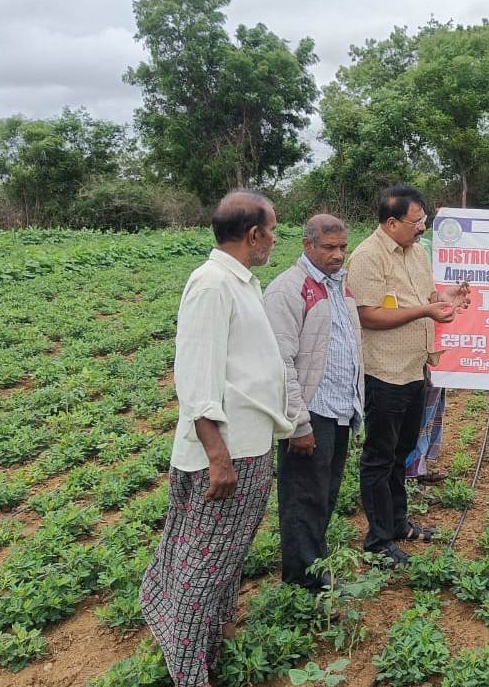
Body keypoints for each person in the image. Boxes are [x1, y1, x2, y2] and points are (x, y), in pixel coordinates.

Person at [140, 190, 294, 687]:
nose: (275, 239)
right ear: (253, 235)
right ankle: (187, 671)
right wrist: (217, 458)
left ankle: (207, 644)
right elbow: (196, 377)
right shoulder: (211, 285)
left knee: (220, 558)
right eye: (272, 230)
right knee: (202, 567)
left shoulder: (239, 282)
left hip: (247, 444)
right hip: (227, 456)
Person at [346, 185, 470, 567]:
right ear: (391, 222)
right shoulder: (367, 257)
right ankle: (378, 539)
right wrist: (425, 312)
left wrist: (446, 297)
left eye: (424, 221)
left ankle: (399, 524)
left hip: (416, 367)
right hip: (384, 372)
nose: (422, 228)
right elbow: (367, 315)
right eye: (417, 222)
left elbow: (425, 294)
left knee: (402, 453)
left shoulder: (417, 252)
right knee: (379, 457)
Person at [262, 214, 362, 591]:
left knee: (324, 494)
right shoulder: (289, 290)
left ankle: (313, 565)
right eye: (329, 247)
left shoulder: (338, 285)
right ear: (307, 246)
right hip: (311, 410)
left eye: (342, 247)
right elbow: (279, 360)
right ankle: (303, 584)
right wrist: (298, 422)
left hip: (338, 407)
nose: (338, 255)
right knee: (303, 498)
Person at [405, 233, 448, 483]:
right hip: (416, 348)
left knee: (432, 405)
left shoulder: (426, 252)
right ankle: (411, 466)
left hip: (437, 346)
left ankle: (419, 463)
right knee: (419, 407)